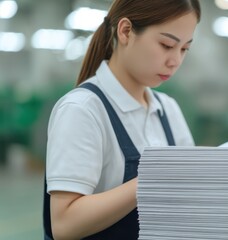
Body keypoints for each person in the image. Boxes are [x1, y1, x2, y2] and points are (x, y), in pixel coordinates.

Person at [43, 0, 200, 239]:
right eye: (166, 45)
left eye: (184, 49)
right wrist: (151, 180)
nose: (175, 61)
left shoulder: (168, 109)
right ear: (125, 31)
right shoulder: (83, 110)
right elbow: (64, 224)